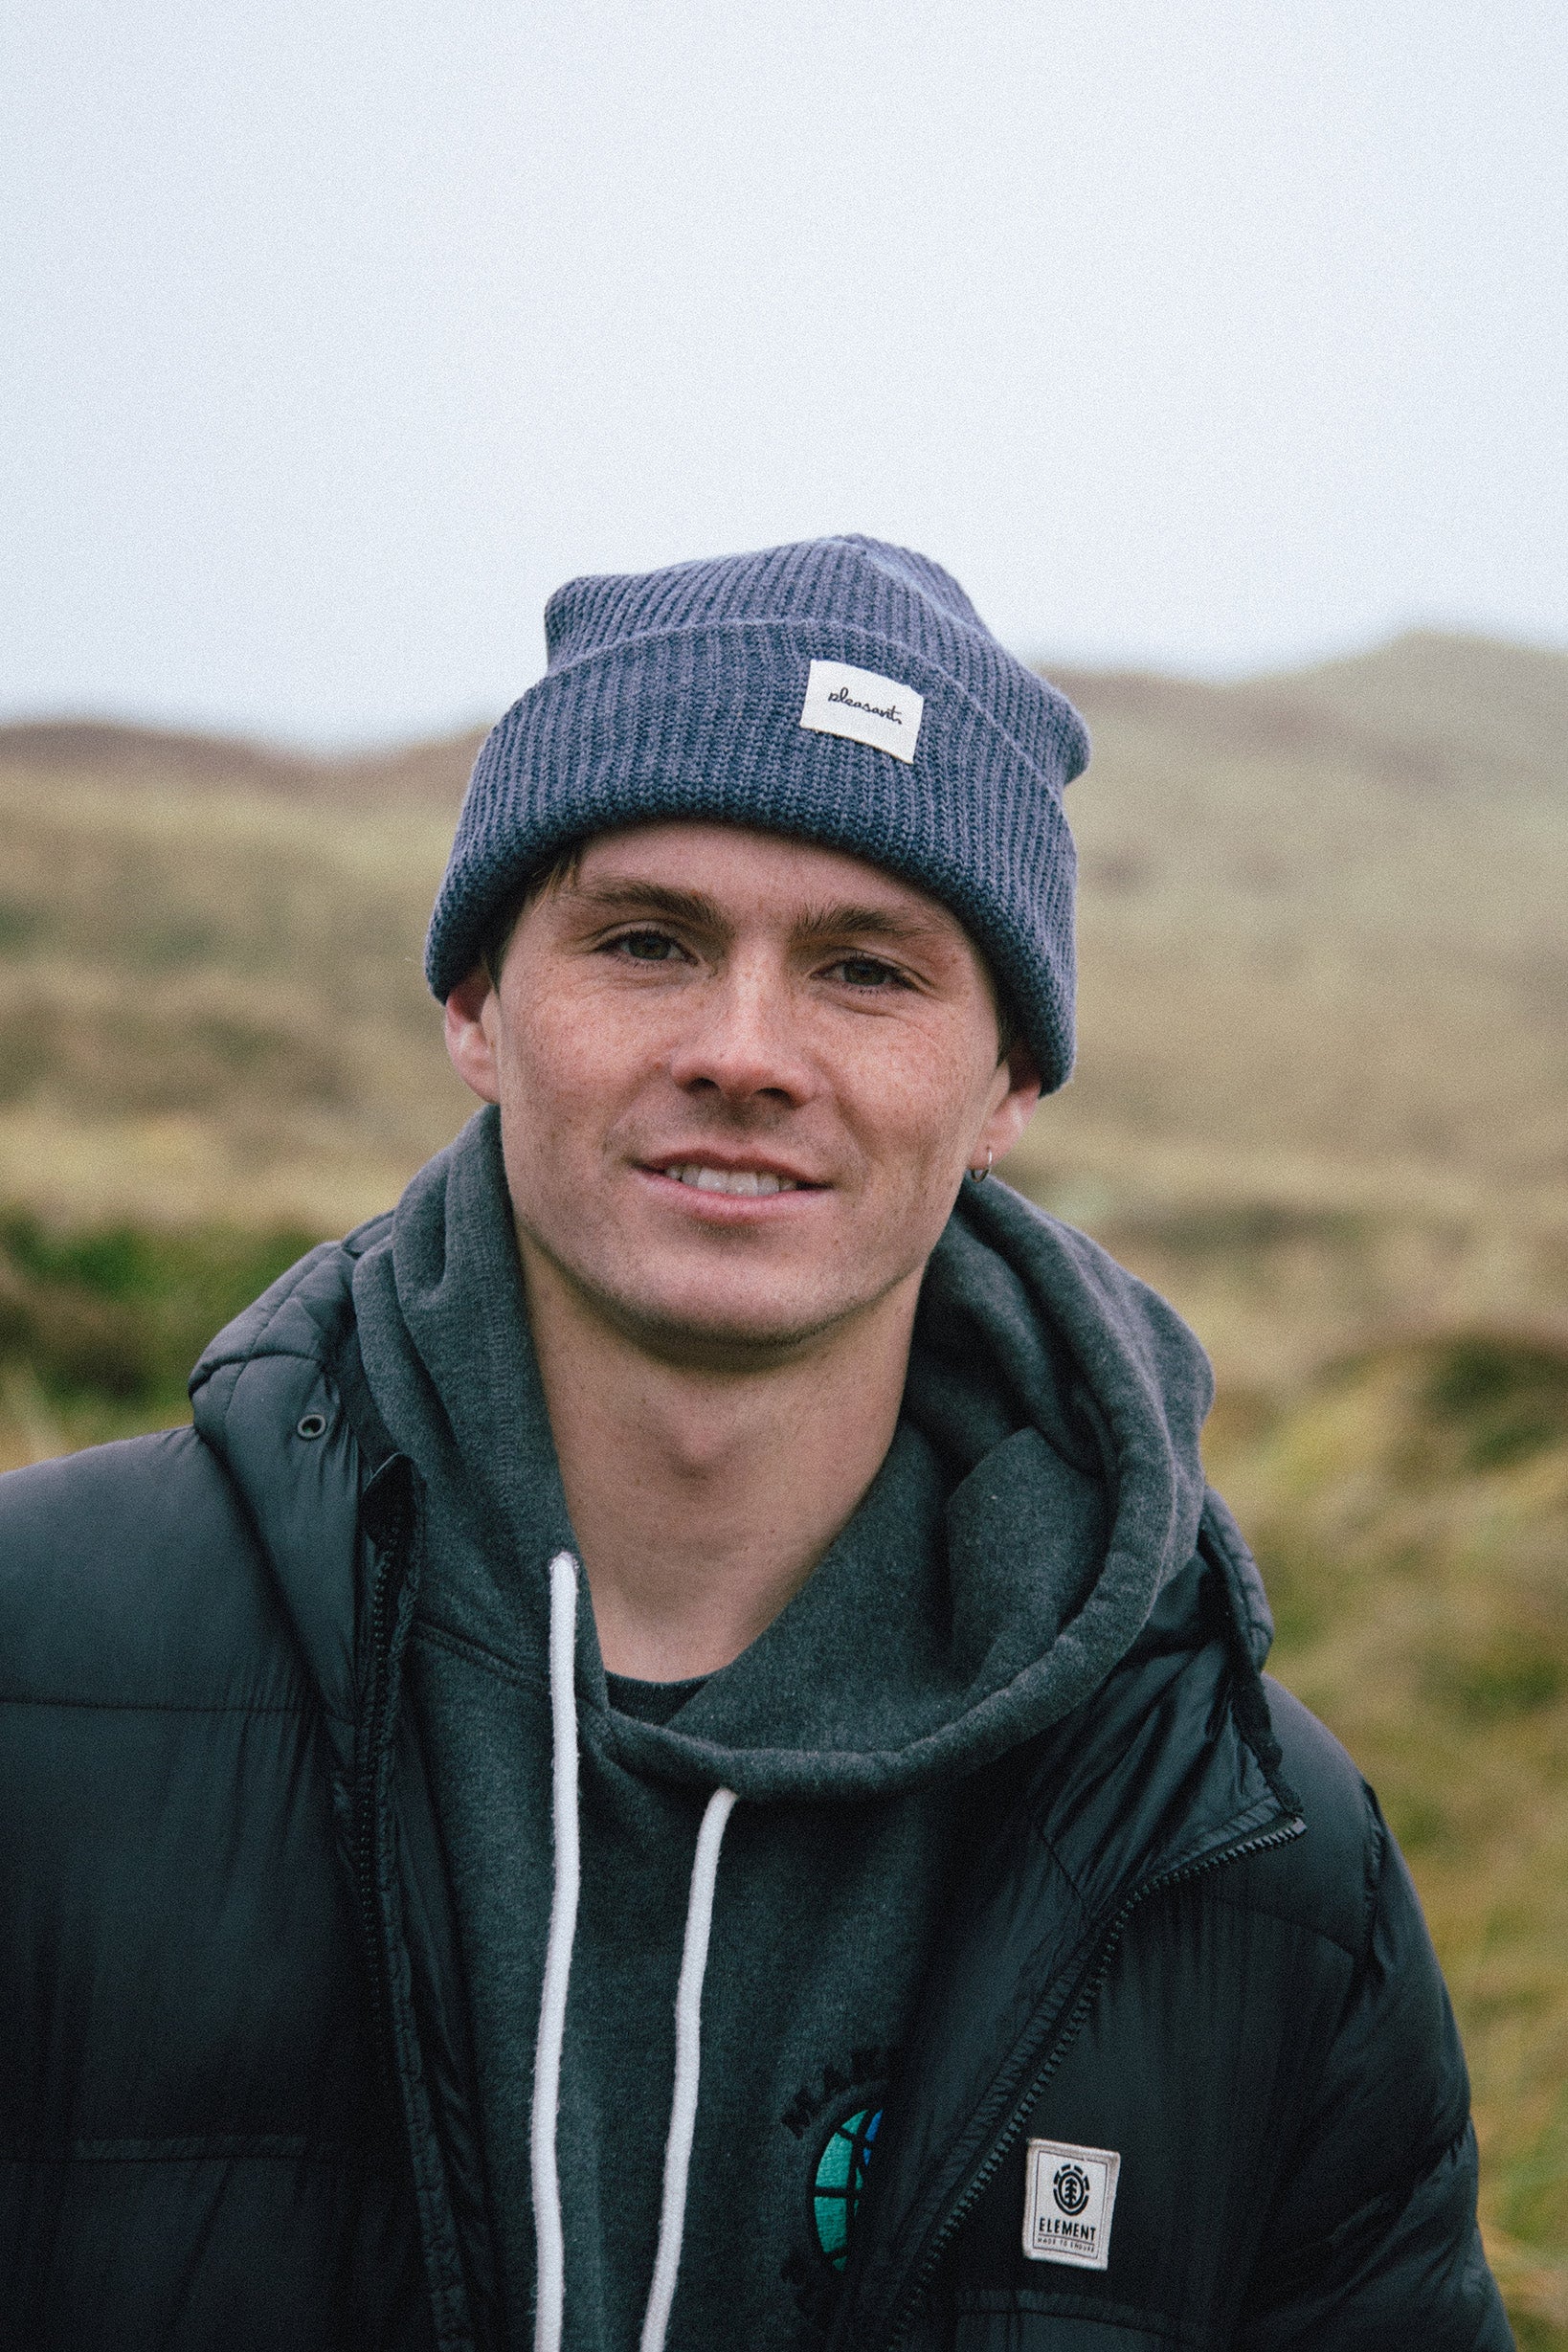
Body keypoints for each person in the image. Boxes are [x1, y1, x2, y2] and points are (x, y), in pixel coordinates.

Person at [0, 536, 1511, 2352]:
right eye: (647, 941)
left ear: (1008, 1083)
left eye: (866, 969)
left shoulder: (1252, 1851)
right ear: (476, 1005)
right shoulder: (37, 1656)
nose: (744, 1050)